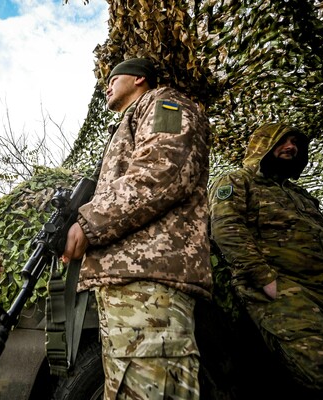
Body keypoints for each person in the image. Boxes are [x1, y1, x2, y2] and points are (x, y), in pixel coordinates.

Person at [61, 58, 212, 400]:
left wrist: (88, 222)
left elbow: (164, 171)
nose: (106, 86)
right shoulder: (131, 121)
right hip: (129, 282)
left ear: (140, 78)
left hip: (150, 281)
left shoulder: (165, 103)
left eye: (113, 77)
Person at [209, 123, 323, 399]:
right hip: (286, 293)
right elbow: (227, 228)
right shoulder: (238, 181)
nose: (291, 147)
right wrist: (265, 279)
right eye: (281, 141)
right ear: (262, 145)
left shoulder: (300, 195)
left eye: (295, 142)